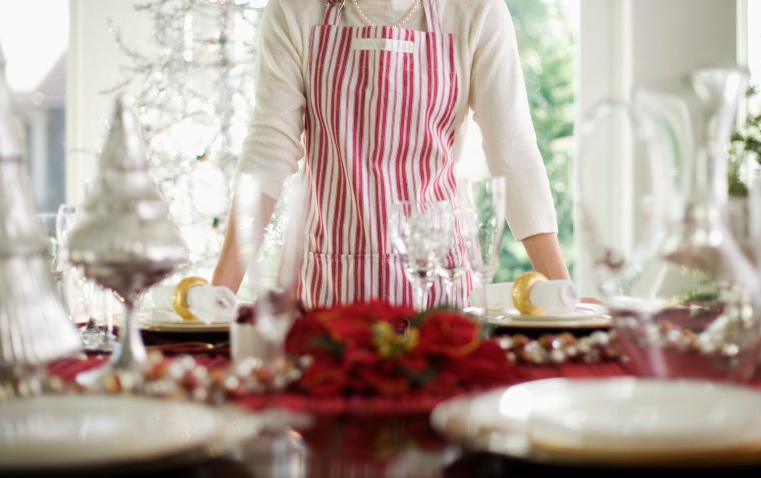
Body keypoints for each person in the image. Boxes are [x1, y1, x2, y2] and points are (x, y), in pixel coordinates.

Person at [212, 0, 570, 309]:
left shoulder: (474, 9)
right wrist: (218, 296)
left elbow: (512, 151)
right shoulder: (296, 10)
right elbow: (270, 147)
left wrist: (563, 294)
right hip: (328, 295)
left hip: (439, 294)